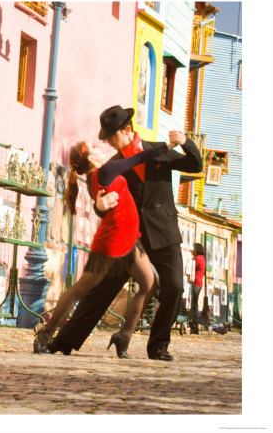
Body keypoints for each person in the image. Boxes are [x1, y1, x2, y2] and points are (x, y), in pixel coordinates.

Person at [47, 105, 203, 361]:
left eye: (110, 137)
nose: (108, 142)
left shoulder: (159, 150)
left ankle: (158, 346)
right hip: (133, 237)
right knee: (102, 289)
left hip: (164, 231)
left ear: (127, 130)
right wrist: (98, 207)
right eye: (105, 139)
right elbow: (103, 202)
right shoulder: (115, 164)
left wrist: (185, 142)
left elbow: (195, 165)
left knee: (174, 286)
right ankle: (64, 341)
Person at [34, 139, 171, 358]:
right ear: (90, 157)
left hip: (129, 240)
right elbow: (138, 158)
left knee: (149, 284)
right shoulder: (105, 171)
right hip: (113, 241)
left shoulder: (93, 179)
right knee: (81, 288)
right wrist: (166, 146)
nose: (99, 147)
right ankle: (45, 334)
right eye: (93, 146)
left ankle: (123, 336)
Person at [190, 243, 206, 334]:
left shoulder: (197, 259)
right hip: (199, 283)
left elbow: (191, 268)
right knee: (195, 304)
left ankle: (195, 326)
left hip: (195, 283)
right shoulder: (202, 259)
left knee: (194, 306)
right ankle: (194, 325)